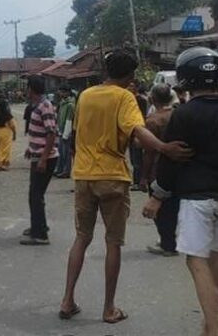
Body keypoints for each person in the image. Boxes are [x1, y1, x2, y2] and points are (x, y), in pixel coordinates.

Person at [59, 49, 192, 325]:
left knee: (81, 238)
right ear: (130, 75)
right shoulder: (124, 97)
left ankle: (67, 300)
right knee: (113, 243)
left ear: (106, 71)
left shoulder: (85, 95)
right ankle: (109, 309)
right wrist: (164, 148)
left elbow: (77, 133)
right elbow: (138, 131)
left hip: (83, 175)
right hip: (112, 177)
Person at [143, 47, 218, 336]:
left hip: (197, 201)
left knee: (196, 261)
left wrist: (156, 196)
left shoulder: (183, 115)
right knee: (213, 260)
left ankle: (213, 328)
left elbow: (171, 161)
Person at [140, 84, 178, 257]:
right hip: (179, 167)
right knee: (174, 207)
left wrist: (143, 176)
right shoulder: (178, 115)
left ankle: (167, 243)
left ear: (152, 99)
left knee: (159, 209)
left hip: (158, 168)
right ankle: (170, 239)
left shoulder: (153, 120)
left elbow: (149, 152)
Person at [21, 75, 58, 246]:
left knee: (35, 195)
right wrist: (32, 148)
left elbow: (51, 133)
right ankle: (38, 225)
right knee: (34, 194)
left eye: (27, 87)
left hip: (46, 157)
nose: (25, 90)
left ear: (31, 89)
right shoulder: (37, 106)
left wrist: (43, 158)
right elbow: (41, 133)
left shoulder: (45, 106)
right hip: (38, 155)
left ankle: (41, 233)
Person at [127, 80, 150, 191]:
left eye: (132, 86)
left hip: (138, 131)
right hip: (129, 132)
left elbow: (143, 116)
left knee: (137, 159)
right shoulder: (127, 99)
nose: (130, 88)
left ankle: (138, 181)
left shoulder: (141, 100)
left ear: (136, 88)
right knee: (132, 158)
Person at [54, 85, 76, 178]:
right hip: (61, 130)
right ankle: (60, 169)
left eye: (62, 92)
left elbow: (69, 119)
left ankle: (66, 171)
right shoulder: (62, 103)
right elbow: (59, 117)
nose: (60, 93)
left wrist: (66, 134)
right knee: (60, 152)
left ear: (67, 92)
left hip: (66, 132)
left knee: (66, 153)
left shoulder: (70, 105)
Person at [0, 98, 16, 171]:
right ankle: (3, 164)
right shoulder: (8, 115)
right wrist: (14, 133)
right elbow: (12, 125)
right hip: (5, 132)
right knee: (5, 148)